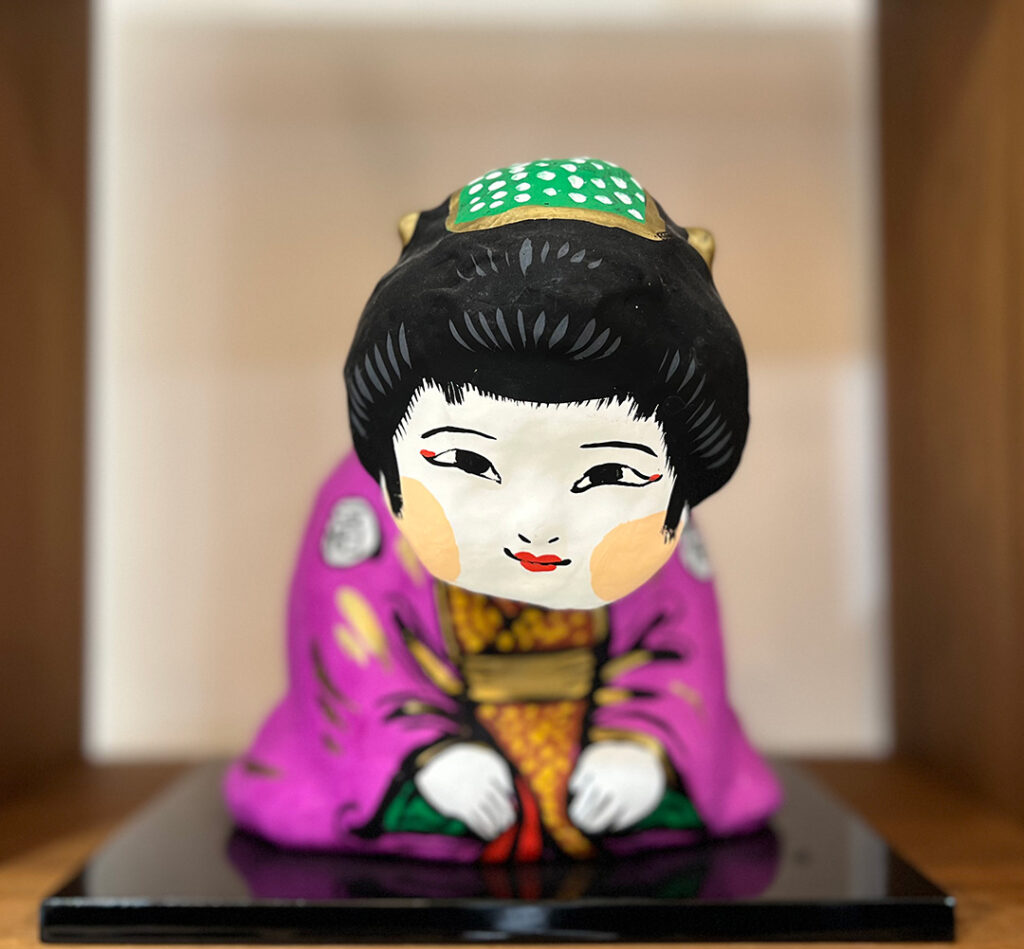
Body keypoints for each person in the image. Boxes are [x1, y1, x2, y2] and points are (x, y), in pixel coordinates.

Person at [225, 158, 781, 862]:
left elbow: (682, 655)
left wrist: (644, 749)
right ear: (391, 450)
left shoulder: (661, 515)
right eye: (466, 461)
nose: (536, 526)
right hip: (436, 770)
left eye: (609, 473)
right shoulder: (361, 508)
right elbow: (348, 652)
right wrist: (427, 757)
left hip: (602, 771)